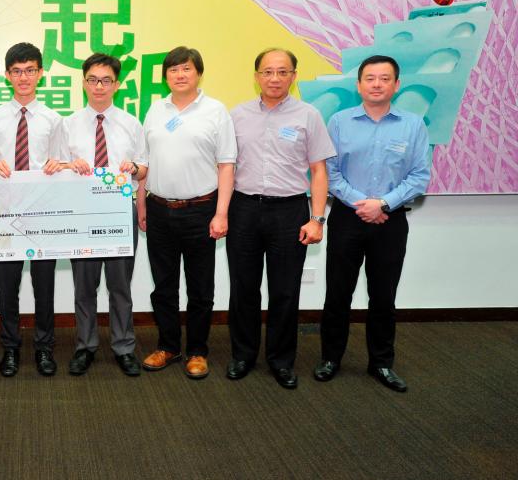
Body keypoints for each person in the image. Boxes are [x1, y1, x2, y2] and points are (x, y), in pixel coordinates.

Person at [315, 54, 430, 393]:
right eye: (370, 78)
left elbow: (419, 176)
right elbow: (329, 174)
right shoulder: (338, 121)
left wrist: (383, 204)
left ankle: (381, 363)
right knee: (338, 293)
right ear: (358, 84)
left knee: (383, 296)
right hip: (347, 219)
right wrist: (362, 204)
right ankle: (330, 358)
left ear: (396, 84)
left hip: (390, 222)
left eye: (384, 78)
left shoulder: (413, 125)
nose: (376, 84)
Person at [226, 48, 335, 389]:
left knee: (285, 290)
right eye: (268, 72)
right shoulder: (237, 115)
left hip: (290, 210)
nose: (274, 78)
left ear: (293, 76)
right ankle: (243, 355)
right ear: (256, 75)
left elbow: (319, 170)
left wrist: (317, 219)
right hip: (244, 208)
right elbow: (226, 167)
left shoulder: (308, 115)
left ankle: (281, 360)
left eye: (282, 72)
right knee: (243, 288)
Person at [137, 46, 236, 379]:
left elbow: (226, 165)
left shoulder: (215, 111)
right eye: (173, 70)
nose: (179, 75)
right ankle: (168, 346)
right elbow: (145, 163)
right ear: (165, 75)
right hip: (159, 208)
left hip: (201, 210)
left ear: (198, 74)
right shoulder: (155, 110)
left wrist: (221, 213)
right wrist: (141, 203)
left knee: (200, 288)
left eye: (186, 69)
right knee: (163, 286)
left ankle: (197, 351)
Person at [0, 42, 67, 377]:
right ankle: (11, 348)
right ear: (7, 76)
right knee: (8, 285)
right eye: (16, 71)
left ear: (41, 74)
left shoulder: (53, 118)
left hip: (43, 211)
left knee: (44, 285)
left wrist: (57, 165)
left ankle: (45, 348)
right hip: (4, 212)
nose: (24, 77)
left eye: (30, 70)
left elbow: (61, 163)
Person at [62, 53, 147, 377]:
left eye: (106, 80)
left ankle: (124, 347)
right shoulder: (68, 124)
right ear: (84, 82)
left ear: (117, 84)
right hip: (81, 215)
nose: (99, 86)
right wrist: (70, 165)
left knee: (119, 286)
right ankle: (85, 346)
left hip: (118, 214)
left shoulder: (130, 123)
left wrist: (134, 168)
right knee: (84, 287)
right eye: (93, 80)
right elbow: (54, 168)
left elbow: (144, 168)